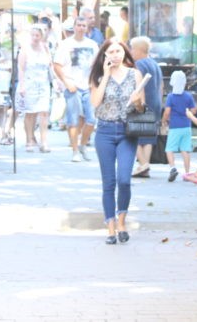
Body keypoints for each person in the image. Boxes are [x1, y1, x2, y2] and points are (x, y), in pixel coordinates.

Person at [88, 39, 147, 245]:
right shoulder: (97, 76)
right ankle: (111, 227)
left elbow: (142, 108)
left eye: (118, 51)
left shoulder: (135, 74)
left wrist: (137, 101)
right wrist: (105, 75)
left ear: (124, 53)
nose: (115, 55)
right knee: (109, 182)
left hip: (126, 132)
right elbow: (95, 103)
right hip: (104, 131)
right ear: (105, 55)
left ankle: (122, 221)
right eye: (111, 52)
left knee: (124, 179)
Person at [53, 16, 99, 162]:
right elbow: (57, 65)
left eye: (83, 25)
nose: (81, 28)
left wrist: (94, 82)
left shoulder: (93, 45)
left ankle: (83, 145)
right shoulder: (65, 44)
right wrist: (66, 82)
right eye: (78, 25)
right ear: (74, 27)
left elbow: (97, 65)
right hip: (72, 85)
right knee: (73, 119)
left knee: (91, 119)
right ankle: (75, 151)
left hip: (88, 86)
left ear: (87, 28)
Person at [129, 36, 163, 178]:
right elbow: (161, 85)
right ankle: (145, 165)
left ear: (139, 50)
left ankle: (143, 164)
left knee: (134, 134)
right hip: (155, 103)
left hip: (142, 103)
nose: (130, 52)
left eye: (132, 49)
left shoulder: (139, 65)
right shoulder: (155, 64)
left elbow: (137, 85)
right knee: (148, 136)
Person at [17, 25, 53, 152]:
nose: (35, 38)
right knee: (30, 113)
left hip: (43, 84)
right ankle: (29, 139)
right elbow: (21, 68)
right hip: (29, 83)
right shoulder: (25, 49)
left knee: (44, 112)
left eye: (37, 35)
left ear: (42, 36)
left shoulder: (45, 48)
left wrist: (55, 81)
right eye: (33, 35)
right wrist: (22, 85)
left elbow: (50, 65)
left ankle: (44, 142)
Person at [163, 70, 197, 184]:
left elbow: (167, 112)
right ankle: (187, 173)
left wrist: (164, 121)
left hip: (174, 126)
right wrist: (188, 113)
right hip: (186, 126)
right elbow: (194, 110)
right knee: (185, 150)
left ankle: (173, 168)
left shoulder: (170, 96)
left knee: (169, 149)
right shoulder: (188, 96)